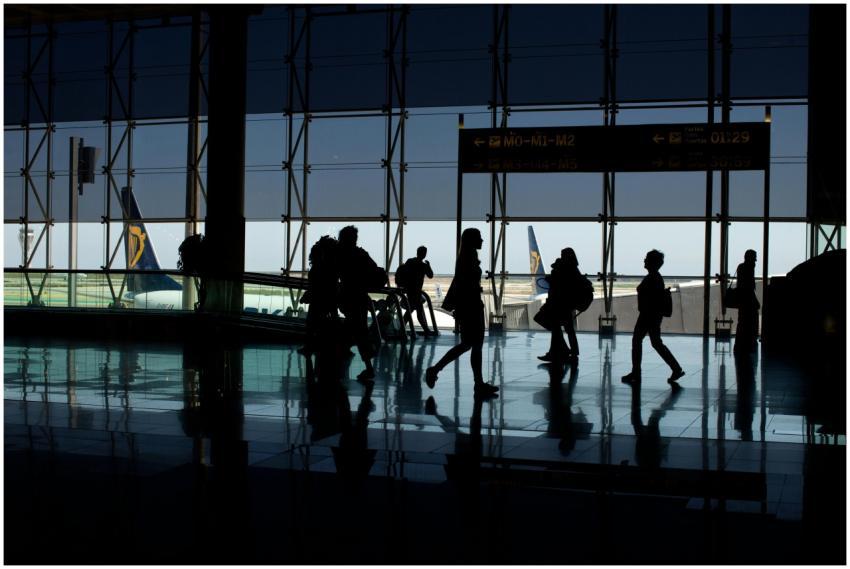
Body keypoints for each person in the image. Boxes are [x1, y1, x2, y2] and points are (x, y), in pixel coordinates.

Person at [424, 228, 499, 398]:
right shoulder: (468, 260)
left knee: (469, 345)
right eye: (479, 238)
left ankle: (475, 382)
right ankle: (475, 383)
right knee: (473, 345)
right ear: (472, 241)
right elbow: (465, 284)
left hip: (468, 306)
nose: (482, 240)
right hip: (471, 306)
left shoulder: (466, 258)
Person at [622, 249, 685, 386]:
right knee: (655, 343)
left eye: (646, 258)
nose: (644, 260)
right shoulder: (655, 277)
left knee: (638, 340)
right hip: (653, 315)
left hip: (647, 315)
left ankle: (636, 372)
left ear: (651, 262)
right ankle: (675, 368)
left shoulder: (652, 277)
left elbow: (648, 297)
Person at [337, 225, 378, 383]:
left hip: (348, 297)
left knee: (355, 331)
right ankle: (367, 364)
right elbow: (374, 270)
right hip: (360, 297)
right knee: (358, 331)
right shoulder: (361, 254)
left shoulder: (340, 255)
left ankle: (366, 365)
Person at [538, 247, 582, 364]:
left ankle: (560, 352)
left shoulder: (565, 269)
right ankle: (569, 352)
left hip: (560, 305)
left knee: (557, 329)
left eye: (563, 255)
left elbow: (560, 286)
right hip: (566, 305)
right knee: (567, 330)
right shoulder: (574, 269)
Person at [300, 236, 340, 361]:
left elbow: (315, 285)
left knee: (312, 322)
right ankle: (334, 346)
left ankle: (310, 345)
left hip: (318, 300)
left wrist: (308, 295)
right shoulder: (331, 266)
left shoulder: (318, 267)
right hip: (330, 299)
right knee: (331, 321)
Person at [397, 245, 435, 336]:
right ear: (424, 254)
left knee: (411, 311)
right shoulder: (423, 265)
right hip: (416, 291)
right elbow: (430, 275)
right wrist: (429, 266)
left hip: (409, 290)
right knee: (417, 312)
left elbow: (403, 272)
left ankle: (402, 329)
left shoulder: (410, 261)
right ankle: (425, 330)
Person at [734, 249, 760, 355]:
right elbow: (750, 286)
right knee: (751, 319)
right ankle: (750, 341)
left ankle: (740, 343)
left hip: (742, 299)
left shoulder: (741, 267)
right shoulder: (750, 268)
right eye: (754, 258)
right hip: (748, 298)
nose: (755, 261)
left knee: (742, 321)